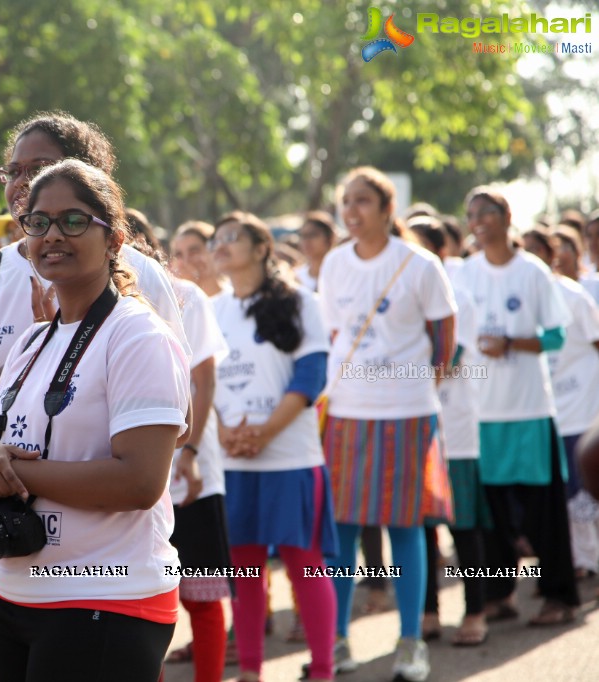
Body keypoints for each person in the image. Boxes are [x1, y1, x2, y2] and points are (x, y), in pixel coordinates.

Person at [0, 158, 189, 681]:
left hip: (105, 597)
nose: (52, 235)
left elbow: (138, 481)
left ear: (114, 238)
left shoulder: (138, 335)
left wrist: (6, 471)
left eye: (74, 220)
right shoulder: (31, 342)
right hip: (8, 593)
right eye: (37, 222)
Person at [0, 111, 188, 450]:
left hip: (104, 501)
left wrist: (58, 349)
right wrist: (34, 355)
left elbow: (181, 424)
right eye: (13, 171)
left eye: (38, 169)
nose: (21, 182)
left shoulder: (140, 272)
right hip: (1, 498)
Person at [318, 166, 457, 682]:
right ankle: (335, 640)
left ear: (386, 208)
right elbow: (335, 332)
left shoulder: (419, 265)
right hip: (346, 411)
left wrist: (412, 388)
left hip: (406, 413)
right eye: (345, 202)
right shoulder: (333, 264)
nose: (351, 212)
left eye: (362, 201)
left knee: (405, 528)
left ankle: (410, 643)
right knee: (342, 533)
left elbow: (444, 341)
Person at [210, 211, 338, 682]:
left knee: (305, 567)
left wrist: (263, 433)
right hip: (233, 459)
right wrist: (224, 431)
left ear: (262, 247)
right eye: (215, 239)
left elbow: (311, 377)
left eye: (231, 237)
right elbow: (201, 385)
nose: (219, 245)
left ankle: (322, 668)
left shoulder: (303, 303)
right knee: (244, 573)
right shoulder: (213, 309)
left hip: (290, 457)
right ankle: (249, 671)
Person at [452, 187, 580, 627]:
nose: (479, 222)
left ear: (507, 216)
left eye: (487, 212)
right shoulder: (464, 275)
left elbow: (557, 336)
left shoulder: (533, 272)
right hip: (481, 414)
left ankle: (560, 596)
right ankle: (499, 593)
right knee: (492, 515)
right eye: (472, 215)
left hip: (528, 410)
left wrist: (511, 343)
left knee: (543, 511)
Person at [128, 209, 232, 682]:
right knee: (145, 603)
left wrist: (187, 452)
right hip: (130, 479)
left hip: (190, 473)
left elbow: (203, 377)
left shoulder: (186, 295)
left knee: (202, 597)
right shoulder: (92, 304)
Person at [409, 216, 491, 647]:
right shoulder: (403, 289)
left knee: (463, 524)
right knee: (420, 526)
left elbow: (447, 359)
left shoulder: (458, 294)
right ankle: (427, 611)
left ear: (440, 251)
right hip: (415, 427)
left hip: (452, 427)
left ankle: (475, 609)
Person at [522, 228, 599, 581]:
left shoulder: (575, 296)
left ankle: (590, 562)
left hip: (581, 414)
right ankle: (576, 563)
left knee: (589, 499)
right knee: (563, 500)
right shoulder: (523, 296)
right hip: (546, 415)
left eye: (538, 249)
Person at [170, 221, 226, 297]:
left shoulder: (236, 299)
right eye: (179, 255)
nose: (186, 260)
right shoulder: (173, 306)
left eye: (194, 252)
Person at [294, 210, 336, 292]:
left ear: (330, 238)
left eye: (313, 235)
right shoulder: (296, 277)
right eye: (303, 236)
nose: (307, 241)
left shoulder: (341, 273)